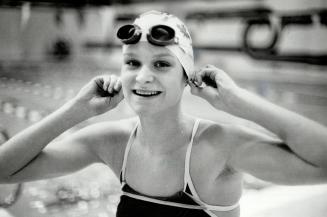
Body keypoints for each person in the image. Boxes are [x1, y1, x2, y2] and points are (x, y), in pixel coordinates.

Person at [0, 10, 327, 217]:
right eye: (132, 63)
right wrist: (74, 111)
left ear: (186, 76)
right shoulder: (113, 143)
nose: (142, 77)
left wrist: (239, 102)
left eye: (161, 64)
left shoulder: (219, 148)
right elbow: (4, 171)